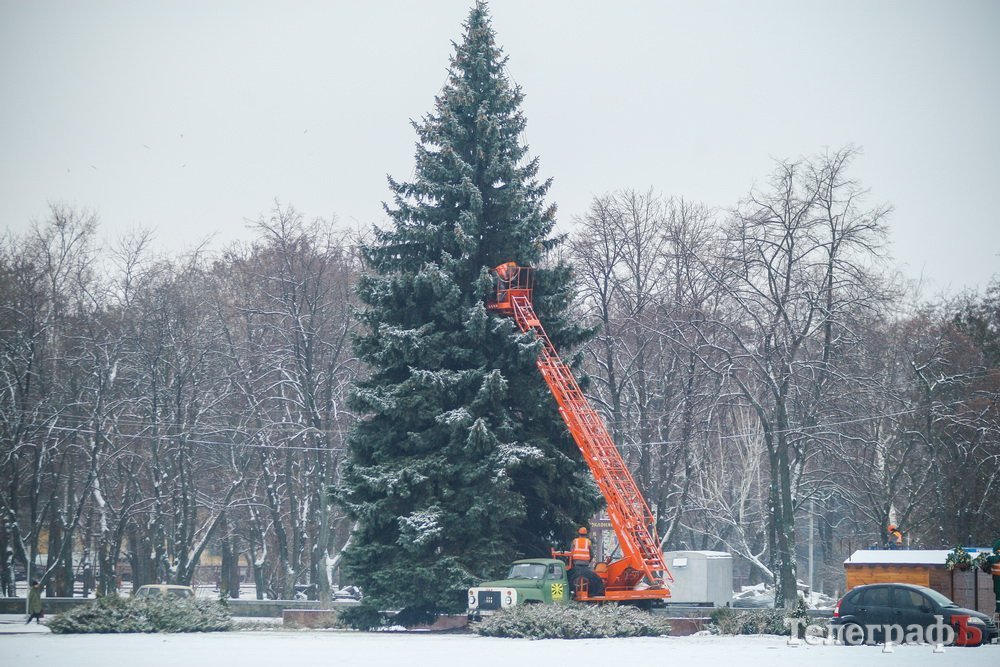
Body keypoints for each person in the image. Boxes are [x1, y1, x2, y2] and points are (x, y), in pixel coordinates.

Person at [567, 527, 604, 597]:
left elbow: (571, 553)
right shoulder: (588, 542)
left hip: (576, 564)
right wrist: (588, 561)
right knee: (591, 577)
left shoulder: (575, 541)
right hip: (585, 564)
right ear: (586, 534)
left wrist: (572, 562)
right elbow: (592, 554)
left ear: (579, 534)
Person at [982, 540, 1000, 613]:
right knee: (998, 594)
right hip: (997, 578)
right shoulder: (995, 556)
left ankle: (998, 609)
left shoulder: (994, 556)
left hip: (997, 578)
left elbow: (991, 560)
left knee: (998, 594)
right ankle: (998, 609)